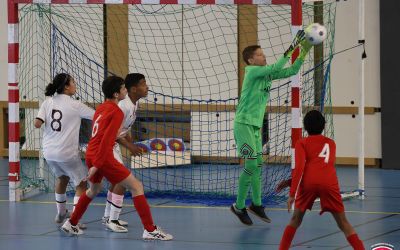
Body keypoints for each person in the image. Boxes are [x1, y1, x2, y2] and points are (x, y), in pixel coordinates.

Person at [61, 76, 173, 241]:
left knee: (94, 190)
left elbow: (98, 136)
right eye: (123, 88)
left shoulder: (101, 108)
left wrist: (94, 162)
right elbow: (107, 140)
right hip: (103, 155)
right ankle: (150, 229)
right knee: (136, 186)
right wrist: (97, 165)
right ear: (115, 94)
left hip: (92, 152)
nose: (125, 90)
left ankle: (71, 223)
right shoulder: (116, 111)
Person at [230, 31, 312, 225]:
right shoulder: (252, 71)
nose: (263, 56)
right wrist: (293, 45)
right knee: (251, 165)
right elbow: (277, 66)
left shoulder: (265, 75)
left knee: (258, 166)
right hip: (243, 125)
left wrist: (303, 52)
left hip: (256, 127)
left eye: (263, 53)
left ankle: (256, 204)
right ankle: (238, 206)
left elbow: (290, 72)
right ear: (250, 60)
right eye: (259, 54)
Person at [278, 110, 364, 250]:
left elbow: (300, 168)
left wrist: (292, 192)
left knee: (295, 220)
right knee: (343, 223)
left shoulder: (302, 143)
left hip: (308, 183)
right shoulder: (331, 143)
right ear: (324, 126)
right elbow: (321, 166)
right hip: (329, 182)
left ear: (305, 127)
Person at [34, 73, 94, 228]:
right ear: (66, 86)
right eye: (73, 82)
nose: (75, 85)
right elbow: (97, 116)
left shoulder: (47, 102)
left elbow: (37, 123)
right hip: (66, 153)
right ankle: (75, 220)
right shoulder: (76, 105)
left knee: (62, 178)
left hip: (49, 152)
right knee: (81, 184)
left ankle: (61, 213)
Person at [101, 73, 148, 233]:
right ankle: (112, 219)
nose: (146, 87)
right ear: (133, 89)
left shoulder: (133, 104)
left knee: (117, 181)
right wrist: (130, 147)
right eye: (143, 84)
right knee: (122, 180)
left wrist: (131, 143)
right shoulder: (124, 106)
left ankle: (108, 217)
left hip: (113, 144)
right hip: (107, 145)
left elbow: (124, 128)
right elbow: (114, 133)